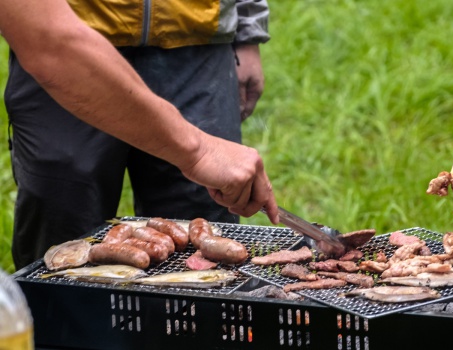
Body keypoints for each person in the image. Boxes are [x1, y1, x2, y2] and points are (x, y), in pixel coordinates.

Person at [0, 0, 279, 270]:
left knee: (201, 235)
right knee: (62, 231)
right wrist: (200, 151)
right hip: (68, 39)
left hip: (198, 35)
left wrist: (247, 29)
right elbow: (45, 35)